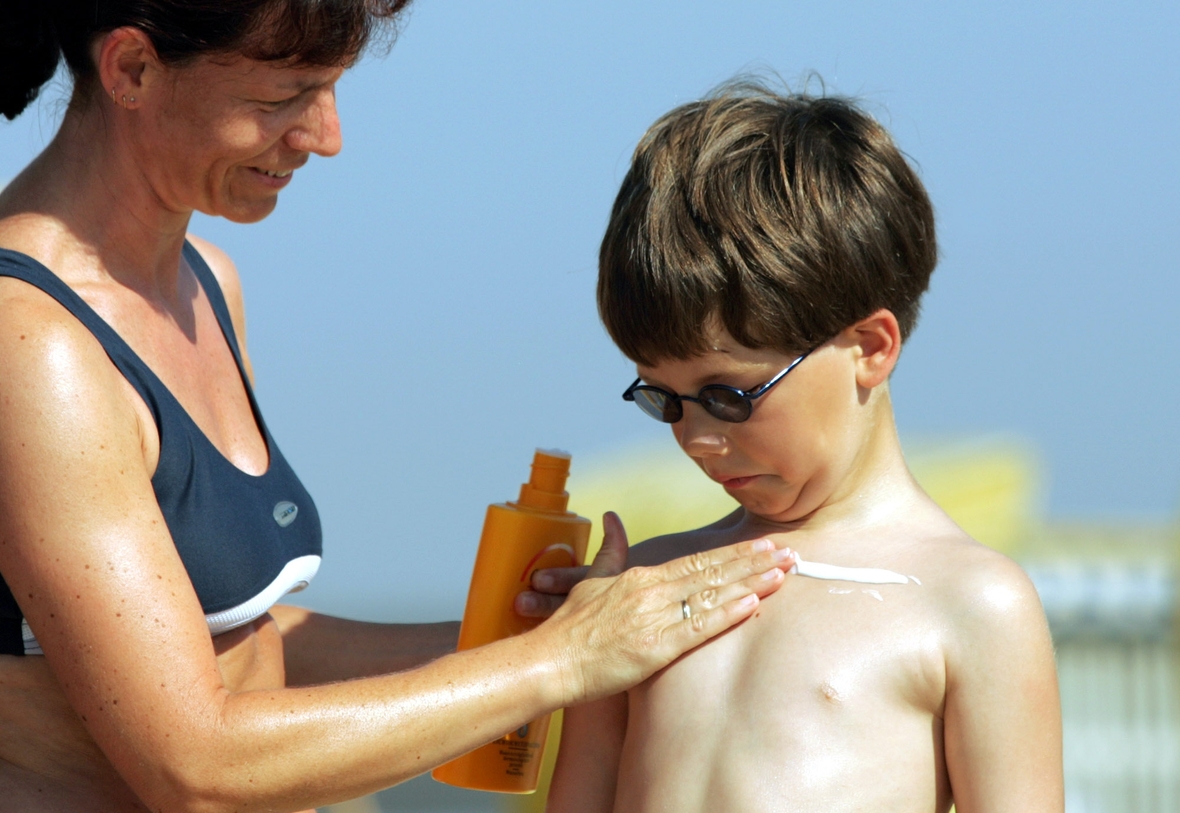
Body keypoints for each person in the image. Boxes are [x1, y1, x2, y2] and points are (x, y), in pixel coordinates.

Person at [0, 4, 796, 811]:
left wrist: (543, 633)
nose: (326, 135)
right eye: (283, 98)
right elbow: (198, 765)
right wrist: (562, 661)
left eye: (334, 90)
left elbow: (240, 649)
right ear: (132, 69)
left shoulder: (206, 284)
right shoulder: (31, 343)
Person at [547, 82, 1064, 812]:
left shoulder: (971, 603)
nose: (696, 436)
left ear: (870, 347)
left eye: (731, 395)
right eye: (661, 397)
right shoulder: (647, 586)